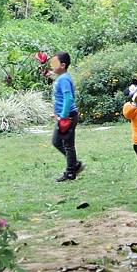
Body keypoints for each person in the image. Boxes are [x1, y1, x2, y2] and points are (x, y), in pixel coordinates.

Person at [51, 52, 84, 182]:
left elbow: (68, 98)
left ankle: (71, 172)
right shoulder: (61, 78)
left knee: (67, 144)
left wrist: (63, 116)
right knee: (57, 142)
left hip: (68, 117)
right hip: (64, 117)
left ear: (63, 65)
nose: (52, 66)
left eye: (54, 63)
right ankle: (74, 164)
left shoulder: (64, 79)